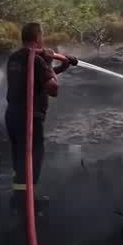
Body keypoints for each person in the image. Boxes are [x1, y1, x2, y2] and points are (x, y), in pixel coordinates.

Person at [5, 22, 77, 212]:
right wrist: (49, 64)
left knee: (20, 160)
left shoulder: (14, 57)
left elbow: (34, 78)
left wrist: (60, 66)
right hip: (29, 118)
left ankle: (19, 199)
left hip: (12, 116)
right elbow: (53, 89)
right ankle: (27, 203)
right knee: (32, 161)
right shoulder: (36, 59)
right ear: (38, 37)